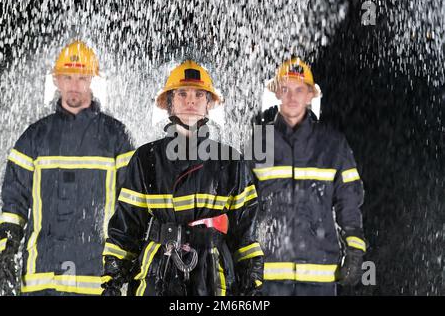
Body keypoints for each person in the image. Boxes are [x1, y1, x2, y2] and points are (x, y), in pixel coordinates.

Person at [101, 60, 264, 296]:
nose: (190, 101)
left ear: (209, 104)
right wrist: (112, 280)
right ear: (169, 104)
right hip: (157, 271)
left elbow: (246, 232)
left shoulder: (231, 161)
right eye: (182, 94)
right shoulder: (146, 158)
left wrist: (252, 282)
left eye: (199, 94)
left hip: (213, 275)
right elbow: (127, 224)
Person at [0, 40, 134, 296]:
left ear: (93, 80)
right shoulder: (34, 137)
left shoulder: (116, 137)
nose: (74, 85)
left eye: (82, 78)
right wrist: (6, 250)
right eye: (67, 77)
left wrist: (124, 264)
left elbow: (131, 207)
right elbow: (13, 204)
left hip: (97, 279)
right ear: (56, 80)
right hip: (41, 278)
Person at [251, 58, 366, 296]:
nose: (292, 97)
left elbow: (349, 201)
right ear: (277, 94)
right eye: (285, 89)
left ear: (310, 95)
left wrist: (354, 250)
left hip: (319, 276)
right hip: (269, 276)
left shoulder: (333, 144)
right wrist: (244, 258)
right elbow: (243, 206)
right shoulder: (257, 144)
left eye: (299, 89)